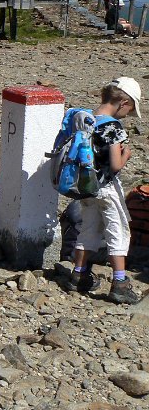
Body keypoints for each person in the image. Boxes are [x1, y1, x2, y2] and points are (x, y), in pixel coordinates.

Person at [65, 77, 143, 304]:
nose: (127, 115)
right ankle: (119, 283)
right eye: (129, 110)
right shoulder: (113, 126)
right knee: (118, 231)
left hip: (86, 188)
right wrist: (126, 154)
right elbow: (116, 165)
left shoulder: (88, 118)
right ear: (123, 103)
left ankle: (78, 275)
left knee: (88, 229)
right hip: (107, 188)